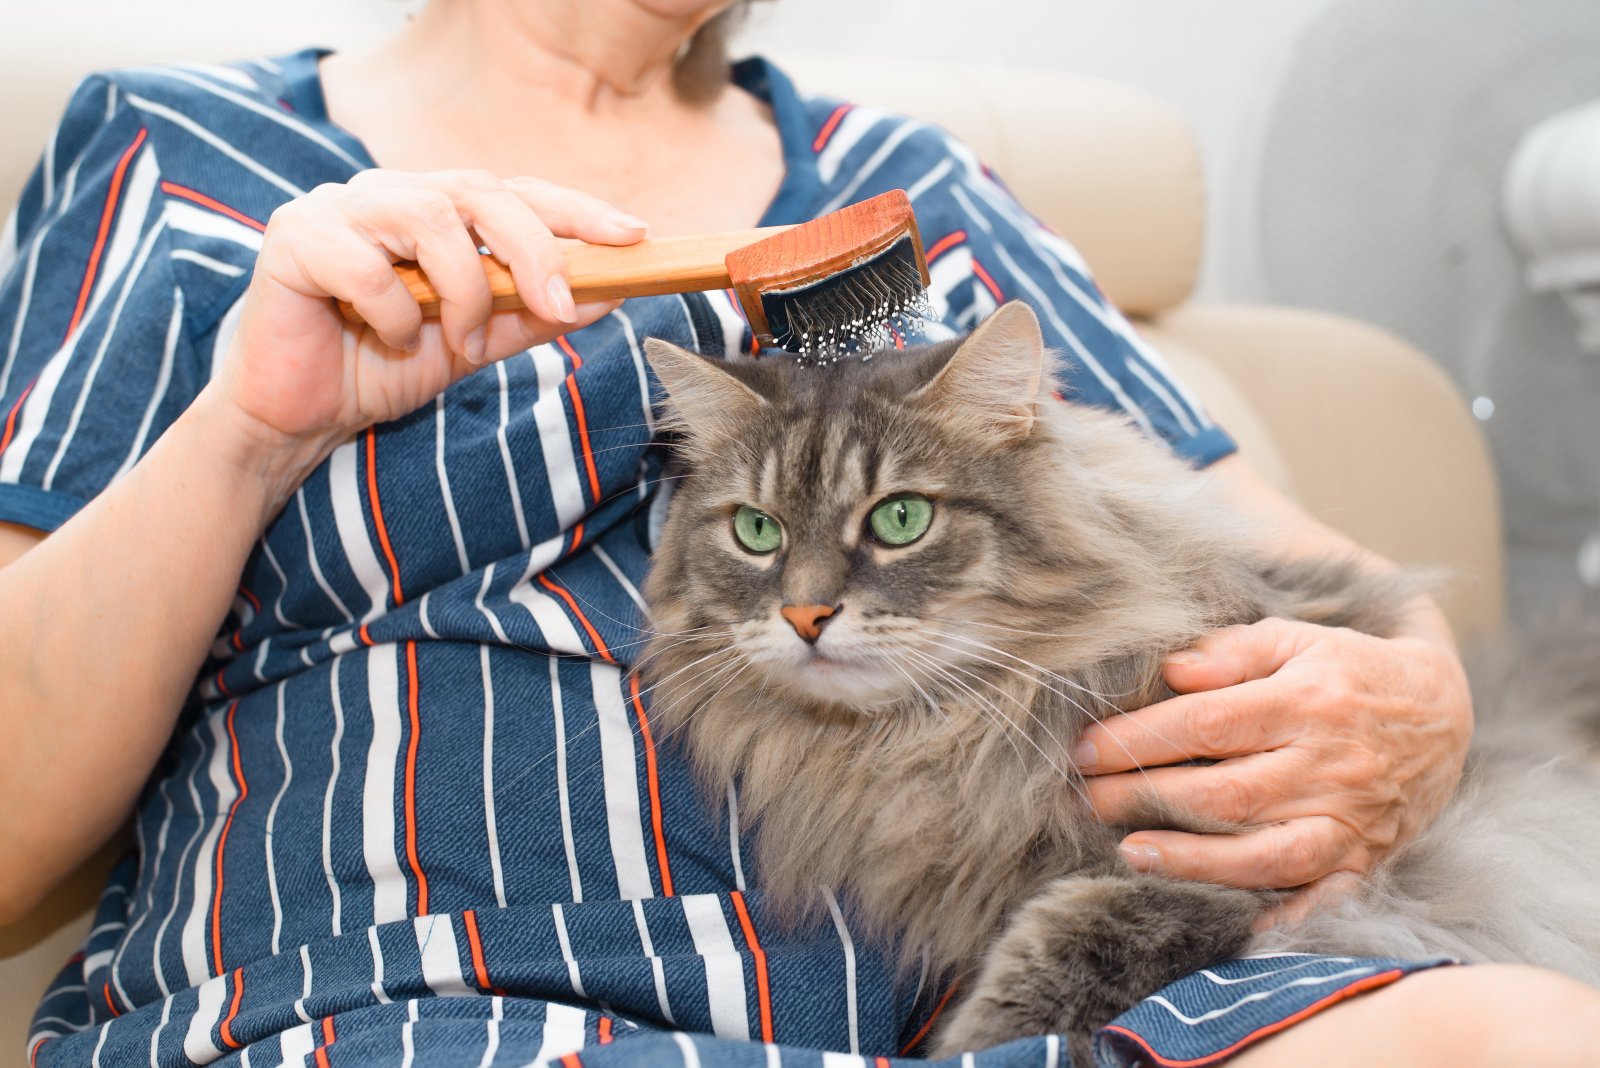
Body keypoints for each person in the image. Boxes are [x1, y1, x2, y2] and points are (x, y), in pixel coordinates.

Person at [2, 1, 1596, 1065]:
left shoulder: (896, 191)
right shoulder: (194, 159)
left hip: (991, 1011)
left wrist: (1420, 703)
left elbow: (1300, 576)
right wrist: (251, 429)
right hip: (401, 1000)